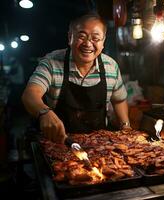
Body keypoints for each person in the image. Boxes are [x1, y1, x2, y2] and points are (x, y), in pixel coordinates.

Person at [22, 13, 131, 144]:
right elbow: (30, 95)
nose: (88, 44)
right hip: (58, 142)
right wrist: (44, 112)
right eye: (81, 36)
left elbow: (119, 100)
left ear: (103, 42)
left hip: (99, 145)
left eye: (96, 38)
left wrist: (125, 126)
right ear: (70, 37)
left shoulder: (111, 66)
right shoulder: (51, 62)